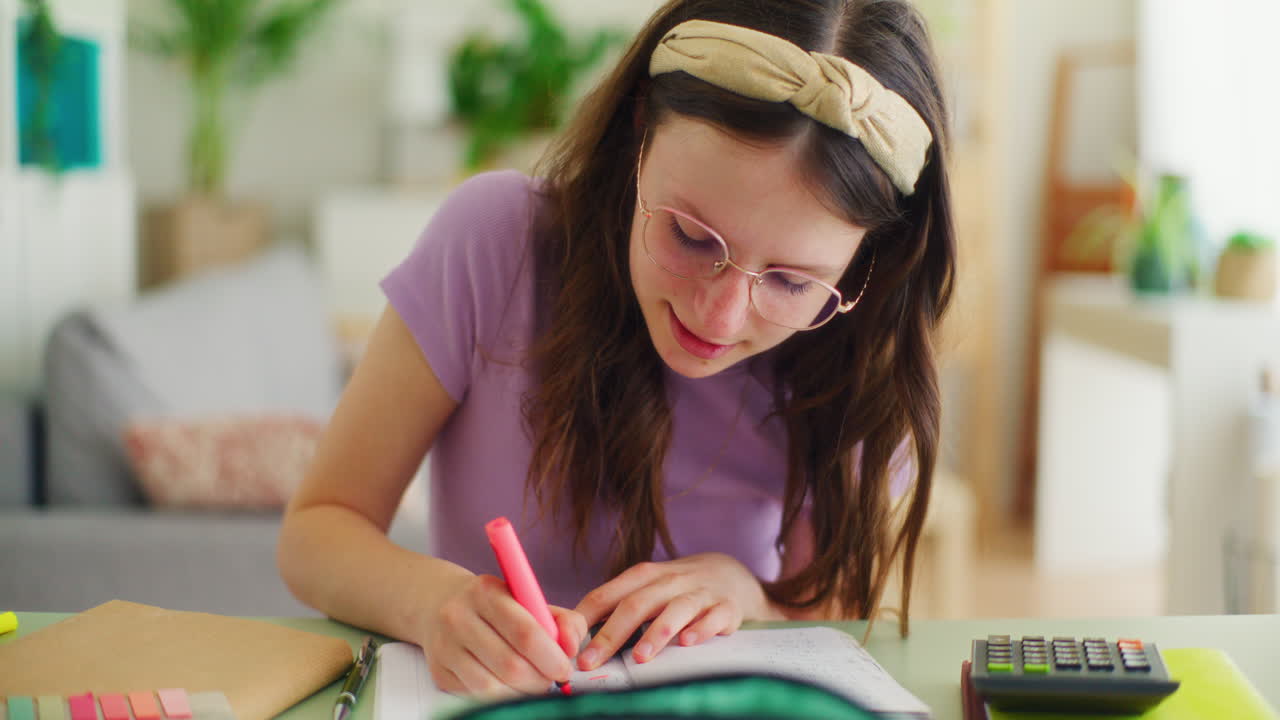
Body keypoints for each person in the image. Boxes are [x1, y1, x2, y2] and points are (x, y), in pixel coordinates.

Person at [277, 0, 955, 698]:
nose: (719, 316)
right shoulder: (495, 246)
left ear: (868, 259)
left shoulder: (865, 351)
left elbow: (833, 612)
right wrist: (430, 603)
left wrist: (751, 594)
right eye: (692, 236)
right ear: (640, 130)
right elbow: (317, 533)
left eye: (790, 281)